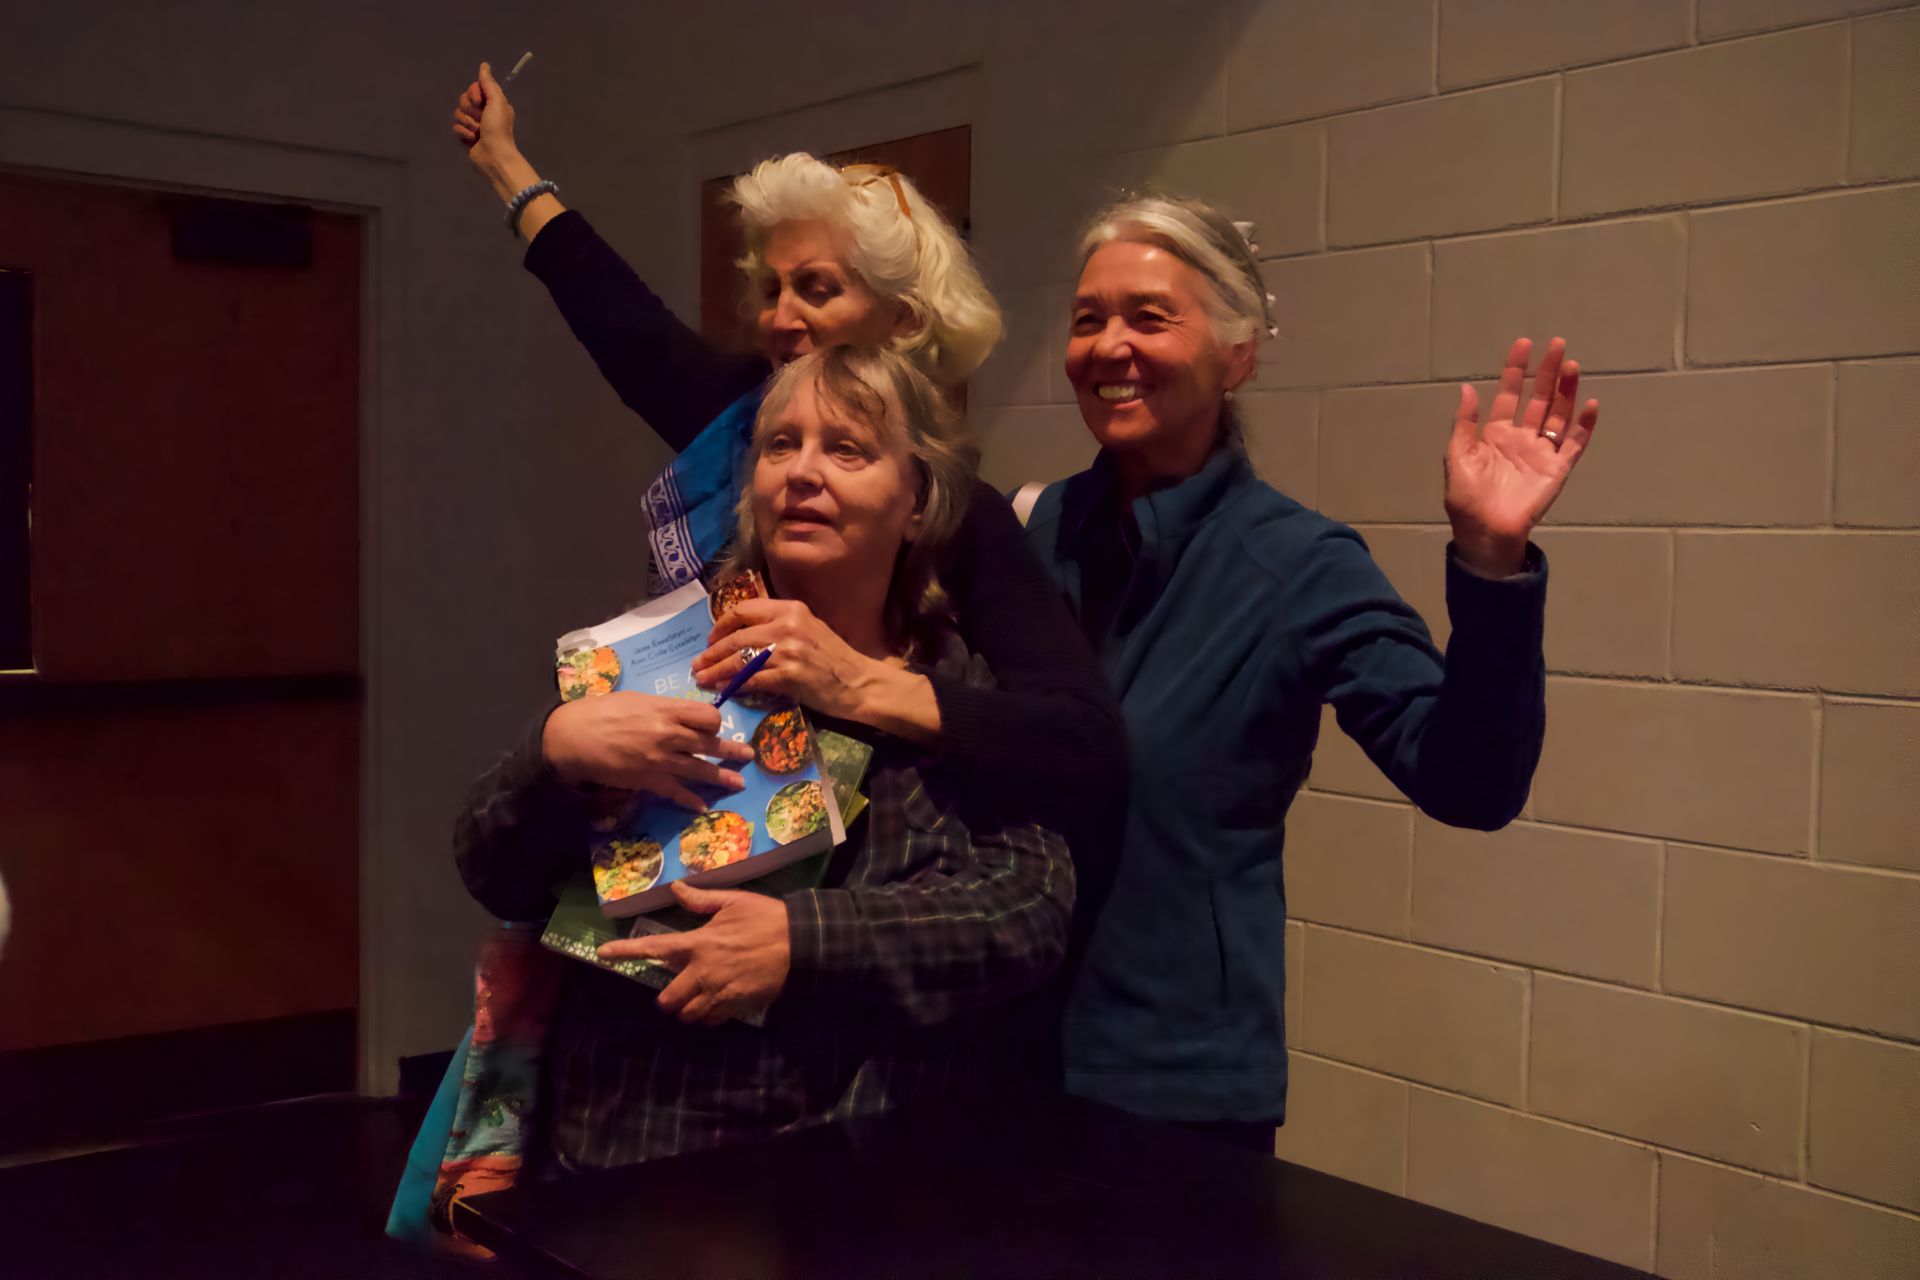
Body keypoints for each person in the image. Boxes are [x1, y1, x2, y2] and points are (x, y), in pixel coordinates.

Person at [1019, 196, 1599, 1152]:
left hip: (1173, 1090)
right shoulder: (1040, 533)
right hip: (994, 1052)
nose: (1109, 345)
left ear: (1238, 355)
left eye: (1150, 317)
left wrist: (1492, 563)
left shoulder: (1298, 563)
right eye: (1088, 319)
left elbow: (1470, 783)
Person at [454, 347, 1075, 1169]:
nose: (803, 472)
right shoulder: (656, 656)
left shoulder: (954, 689)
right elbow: (493, 874)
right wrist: (552, 755)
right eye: (781, 445)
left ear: (919, 502)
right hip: (635, 1153)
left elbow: (1027, 912)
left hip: (861, 1170)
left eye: (847, 449)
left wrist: (803, 940)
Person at [450, 64, 1124, 817]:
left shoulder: (954, 508)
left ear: (903, 317)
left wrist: (859, 684)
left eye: (817, 288)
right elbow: (615, 313)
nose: (780, 318)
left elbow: (1084, 741)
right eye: (772, 290)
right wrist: (505, 164)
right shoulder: (735, 415)